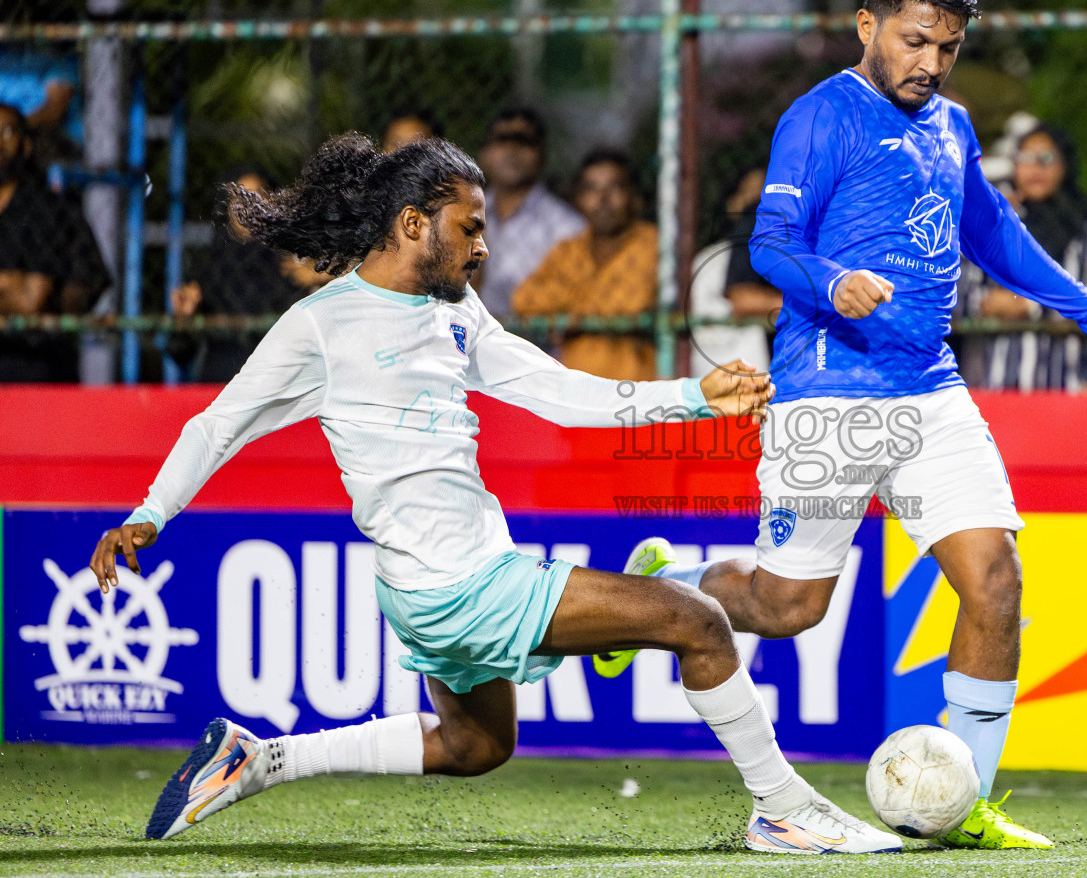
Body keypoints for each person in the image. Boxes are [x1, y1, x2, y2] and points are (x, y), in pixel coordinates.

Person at [88, 133, 899, 855]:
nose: (481, 248)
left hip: (436, 585)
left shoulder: (455, 311)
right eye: (469, 228)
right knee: (698, 622)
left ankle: (260, 759)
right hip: (458, 586)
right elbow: (217, 425)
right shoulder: (321, 325)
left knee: (475, 746)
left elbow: (557, 392)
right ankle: (784, 809)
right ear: (413, 223)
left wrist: (693, 395)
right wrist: (149, 514)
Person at [593, 0, 1087, 851]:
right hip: (827, 393)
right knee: (787, 608)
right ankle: (661, 590)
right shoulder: (820, 117)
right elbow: (770, 244)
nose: (932, 63)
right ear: (868, 25)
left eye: (949, 47)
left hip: (931, 391)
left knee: (996, 580)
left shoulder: (954, 126)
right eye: (916, 40)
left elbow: (995, 234)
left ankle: (962, 804)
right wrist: (831, 279)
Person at [959, 122, 1087, 391]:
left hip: (1076, 389)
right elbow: (958, 293)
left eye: (1045, 157)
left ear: (1065, 165)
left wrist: (1029, 306)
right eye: (1025, 158)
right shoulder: (994, 221)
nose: (1035, 167)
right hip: (995, 389)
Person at [168, 167, 331, 382]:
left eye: (257, 196)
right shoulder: (210, 271)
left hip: (281, 382)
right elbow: (179, 354)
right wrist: (183, 319)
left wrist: (322, 281)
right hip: (221, 382)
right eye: (240, 198)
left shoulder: (295, 265)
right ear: (226, 207)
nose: (249, 207)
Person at [513, 150, 660, 380]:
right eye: (591, 188)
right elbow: (524, 299)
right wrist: (591, 304)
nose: (602, 199)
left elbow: (631, 303)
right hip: (577, 384)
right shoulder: (568, 250)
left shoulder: (652, 244)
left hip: (636, 383)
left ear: (633, 197)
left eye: (615, 187)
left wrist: (565, 314)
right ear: (578, 199)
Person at [0, 103, 108, 381]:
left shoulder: (46, 210)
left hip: (32, 366)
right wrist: (8, 285)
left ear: (26, 146)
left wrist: (37, 302)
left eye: (8, 132)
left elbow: (29, 301)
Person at [473, 108, 586, 317]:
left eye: (524, 140)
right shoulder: (463, 212)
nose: (512, 149)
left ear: (542, 155)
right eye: (502, 139)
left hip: (537, 334)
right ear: (484, 154)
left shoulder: (567, 227)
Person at [691, 165, 778, 377]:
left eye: (766, 191)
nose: (758, 201)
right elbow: (743, 300)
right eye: (749, 192)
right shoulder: (710, 261)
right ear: (731, 202)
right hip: (730, 375)